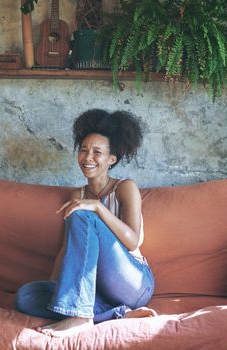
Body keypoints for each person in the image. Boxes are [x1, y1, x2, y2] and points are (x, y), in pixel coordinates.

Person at [14, 109, 156, 338]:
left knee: (84, 214)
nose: (88, 157)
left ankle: (80, 317)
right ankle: (114, 313)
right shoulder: (77, 194)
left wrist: (98, 207)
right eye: (83, 150)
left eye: (97, 152)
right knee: (26, 296)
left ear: (112, 159)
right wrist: (57, 288)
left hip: (132, 281)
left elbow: (132, 241)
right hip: (94, 290)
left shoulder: (125, 187)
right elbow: (66, 249)